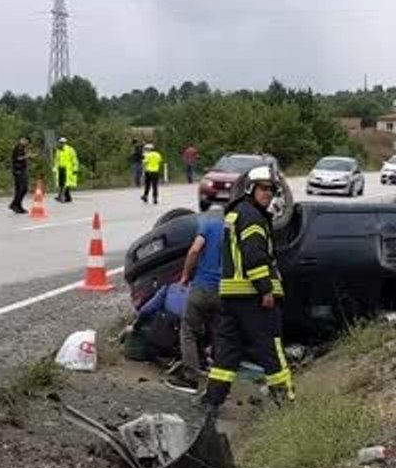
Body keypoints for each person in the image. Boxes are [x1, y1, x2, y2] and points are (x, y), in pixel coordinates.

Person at [201, 166, 293, 415]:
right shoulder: (253, 216)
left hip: (231, 296)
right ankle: (286, 402)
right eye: (263, 189)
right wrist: (265, 289)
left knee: (227, 352)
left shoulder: (236, 213)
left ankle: (211, 402)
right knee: (271, 349)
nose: (268, 194)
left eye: (272, 190)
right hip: (252, 296)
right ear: (251, 189)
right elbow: (254, 256)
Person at [165, 208, 225, 394]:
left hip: (203, 286)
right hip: (224, 290)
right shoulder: (233, 228)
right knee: (219, 333)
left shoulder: (207, 224)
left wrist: (185, 275)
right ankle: (218, 381)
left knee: (189, 331)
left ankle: (190, 378)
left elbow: (194, 250)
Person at [126, 280, 190, 365]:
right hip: (189, 336)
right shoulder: (200, 289)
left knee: (159, 316)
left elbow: (147, 310)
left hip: (169, 338)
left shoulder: (169, 287)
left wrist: (135, 326)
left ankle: (168, 358)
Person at [9, 136, 30, 214]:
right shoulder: (18, 147)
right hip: (18, 170)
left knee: (21, 189)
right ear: (22, 140)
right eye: (25, 141)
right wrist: (27, 156)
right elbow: (17, 158)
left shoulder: (22, 147)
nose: (26, 142)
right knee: (23, 188)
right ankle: (14, 204)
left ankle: (18, 205)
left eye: (27, 142)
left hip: (22, 169)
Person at [54, 137, 78, 203]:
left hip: (67, 169)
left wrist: (75, 168)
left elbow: (74, 159)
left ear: (65, 142)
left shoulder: (70, 149)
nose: (61, 144)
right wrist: (55, 168)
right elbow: (56, 160)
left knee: (65, 184)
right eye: (60, 142)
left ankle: (62, 197)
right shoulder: (58, 150)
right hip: (60, 168)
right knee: (60, 184)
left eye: (63, 142)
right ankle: (64, 197)